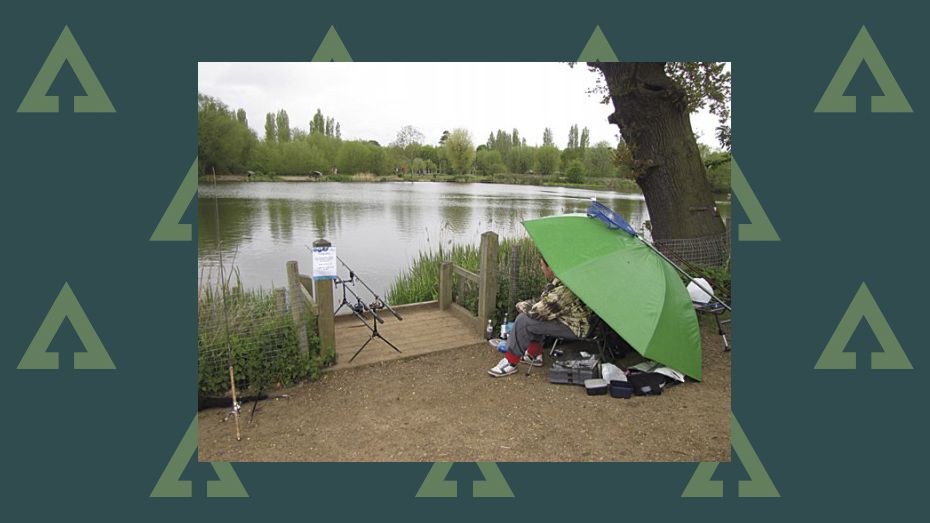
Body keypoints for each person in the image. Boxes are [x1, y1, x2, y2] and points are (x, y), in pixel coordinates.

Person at [488, 257, 592, 377]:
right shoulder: (561, 281)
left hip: (576, 329)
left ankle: (510, 362)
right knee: (536, 320)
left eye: (542, 265)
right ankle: (533, 355)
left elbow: (538, 312)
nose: (541, 268)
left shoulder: (563, 290)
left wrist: (521, 305)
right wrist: (528, 305)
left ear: (551, 269)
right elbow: (543, 303)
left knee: (524, 320)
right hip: (572, 322)